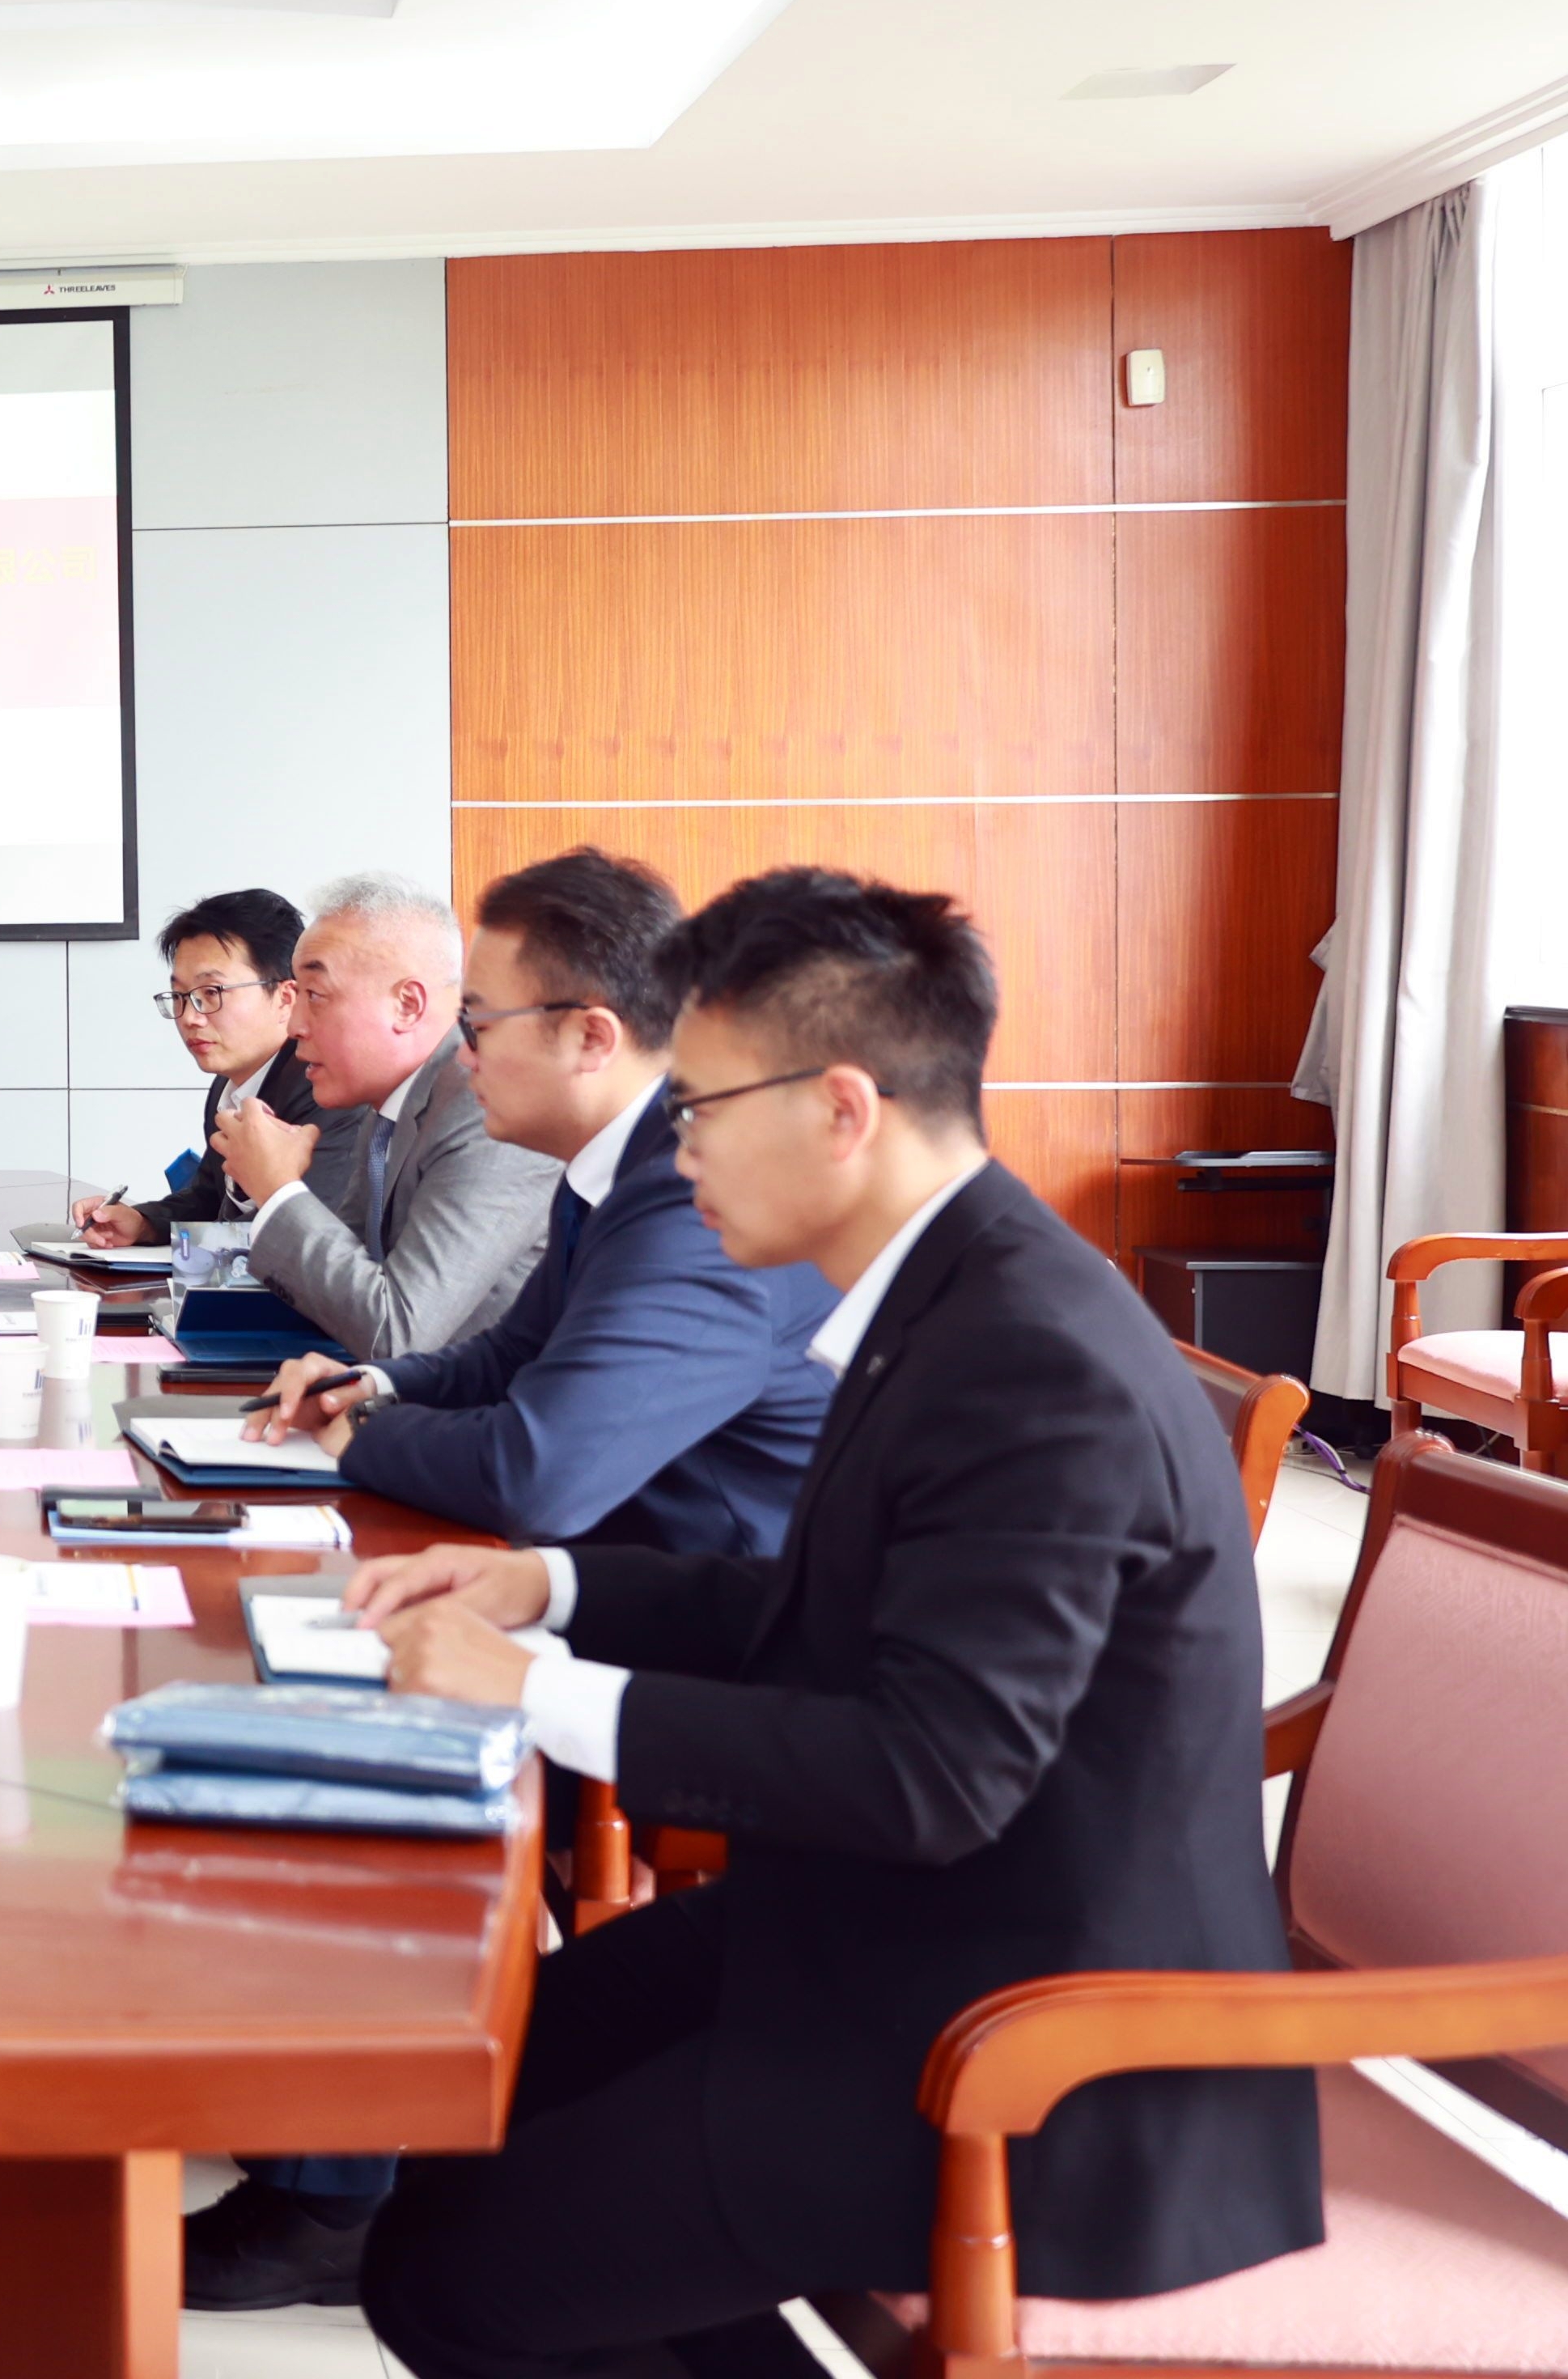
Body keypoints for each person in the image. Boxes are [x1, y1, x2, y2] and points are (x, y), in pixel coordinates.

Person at [350, 869, 1319, 2379]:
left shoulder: (1027, 1358)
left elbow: (930, 1774)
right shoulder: (946, 1287)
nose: (675, 1147)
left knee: (451, 2278)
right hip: (898, 1923)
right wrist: (552, 1588)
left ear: (841, 1108)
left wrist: (528, 1690)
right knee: (477, 2090)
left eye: (699, 1106)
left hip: (1038, 2038)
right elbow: (830, 1607)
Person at [176, 850, 839, 2308]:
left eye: (478, 1021)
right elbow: (503, 1360)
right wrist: (374, 1385)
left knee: (358, 1697)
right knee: (312, 1640)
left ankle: (335, 2194)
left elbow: (540, 1471)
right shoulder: (621, 1178)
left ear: (591, 1033)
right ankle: (315, 2101)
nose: (460, 1053)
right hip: (636, 1571)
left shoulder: (692, 1192)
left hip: (730, 1620)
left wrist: (364, 1431)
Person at [233, 874, 557, 1360]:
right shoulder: (390, 1107)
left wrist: (278, 1188)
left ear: (407, 1005)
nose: (295, 1024)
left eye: (315, 995)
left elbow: (397, 1330)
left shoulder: (485, 1106)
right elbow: (345, 1284)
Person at [74, 887, 352, 1243]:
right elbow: (209, 1199)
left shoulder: (327, 1094)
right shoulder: (229, 1087)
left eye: (212, 993)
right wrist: (143, 1222)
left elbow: (304, 1241)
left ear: (286, 998)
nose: (190, 1017)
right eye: (180, 996)